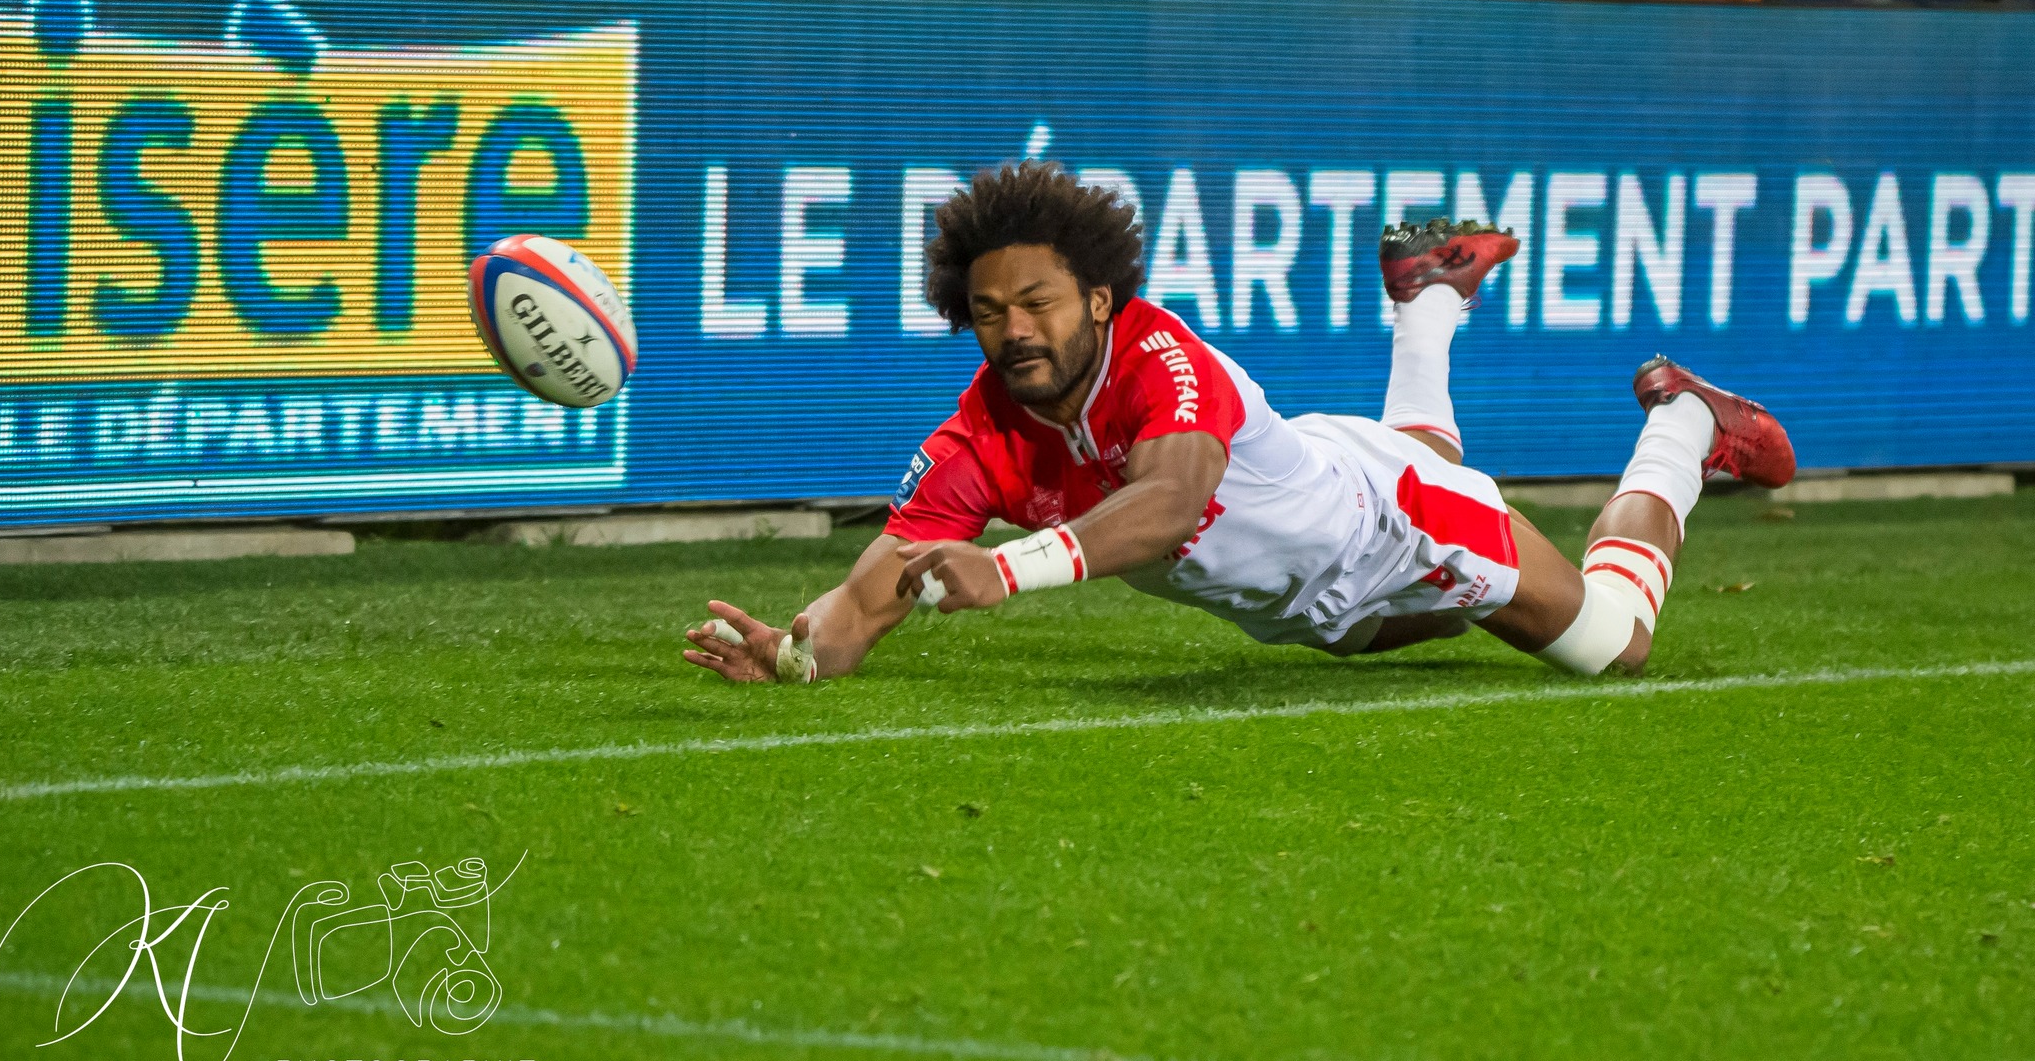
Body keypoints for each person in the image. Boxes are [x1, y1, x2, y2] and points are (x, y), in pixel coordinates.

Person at [682, 161, 1795, 686]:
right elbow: (881, 581)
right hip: (1308, 607)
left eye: (1036, 304)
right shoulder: (979, 433)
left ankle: (1684, 426)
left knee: (1611, 642)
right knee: (1429, 579)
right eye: (985, 312)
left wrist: (1006, 571)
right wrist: (797, 651)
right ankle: (1429, 294)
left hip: (1394, 526)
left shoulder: (1162, 354)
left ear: (1100, 298)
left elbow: (1166, 508)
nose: (1011, 330)